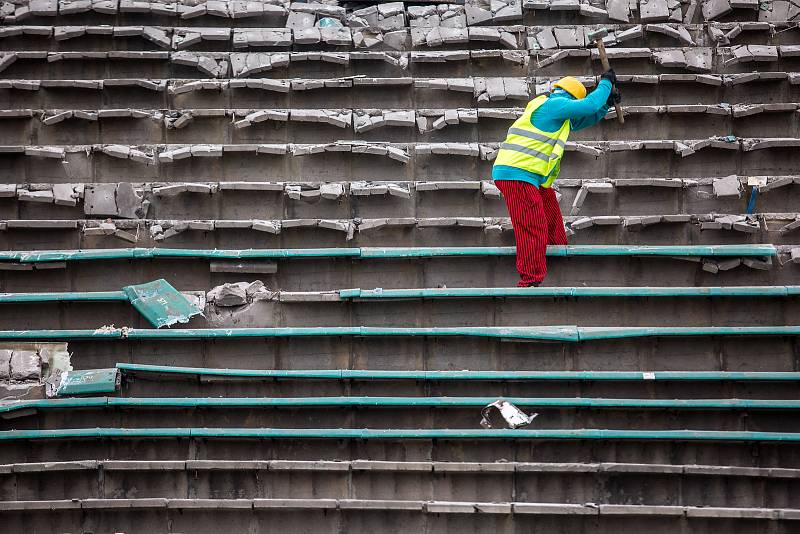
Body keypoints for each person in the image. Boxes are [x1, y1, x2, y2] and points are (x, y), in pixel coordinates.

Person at [493, 69, 620, 287]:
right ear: (572, 98)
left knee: (549, 208)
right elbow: (588, 105)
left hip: (530, 177)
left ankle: (556, 249)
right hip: (517, 174)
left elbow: (586, 117)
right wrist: (606, 84)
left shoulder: (554, 111)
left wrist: (606, 104)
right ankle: (530, 279)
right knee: (532, 226)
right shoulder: (553, 105)